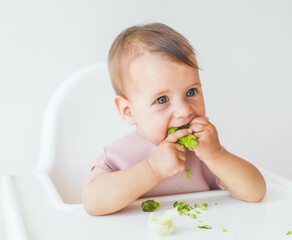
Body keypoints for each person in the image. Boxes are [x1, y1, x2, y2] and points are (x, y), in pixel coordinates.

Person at [82, 23, 266, 216]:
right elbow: (92, 202)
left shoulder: (204, 152)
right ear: (128, 111)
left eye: (191, 92)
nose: (184, 111)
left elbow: (256, 192)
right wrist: (153, 169)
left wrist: (217, 155)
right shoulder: (119, 156)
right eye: (162, 100)